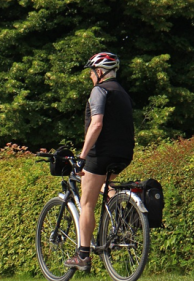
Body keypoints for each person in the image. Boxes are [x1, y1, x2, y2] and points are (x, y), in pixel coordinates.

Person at [65, 52, 134, 271]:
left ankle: (83, 255)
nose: (90, 77)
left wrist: (82, 157)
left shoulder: (99, 90)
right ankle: (121, 215)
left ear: (100, 72)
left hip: (100, 154)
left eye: (91, 73)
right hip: (124, 153)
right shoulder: (123, 93)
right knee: (105, 185)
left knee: (87, 203)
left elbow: (96, 124)